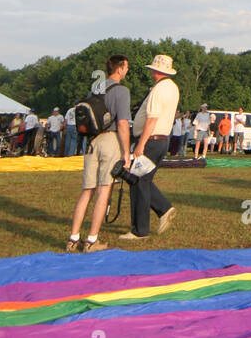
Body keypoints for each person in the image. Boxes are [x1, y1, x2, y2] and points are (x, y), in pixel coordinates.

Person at [66, 55, 132, 253]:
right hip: (110, 141)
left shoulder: (95, 89)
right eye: (126, 67)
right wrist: (126, 152)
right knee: (104, 191)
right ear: (119, 69)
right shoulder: (121, 91)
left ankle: (73, 239)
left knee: (87, 191)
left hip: (91, 142)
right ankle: (92, 240)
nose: (127, 71)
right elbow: (122, 123)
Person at [120, 54, 180, 241]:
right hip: (161, 140)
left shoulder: (158, 90)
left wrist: (141, 144)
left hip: (151, 140)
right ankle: (162, 210)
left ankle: (141, 229)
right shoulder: (172, 88)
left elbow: (152, 119)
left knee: (138, 180)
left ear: (156, 70)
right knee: (142, 179)